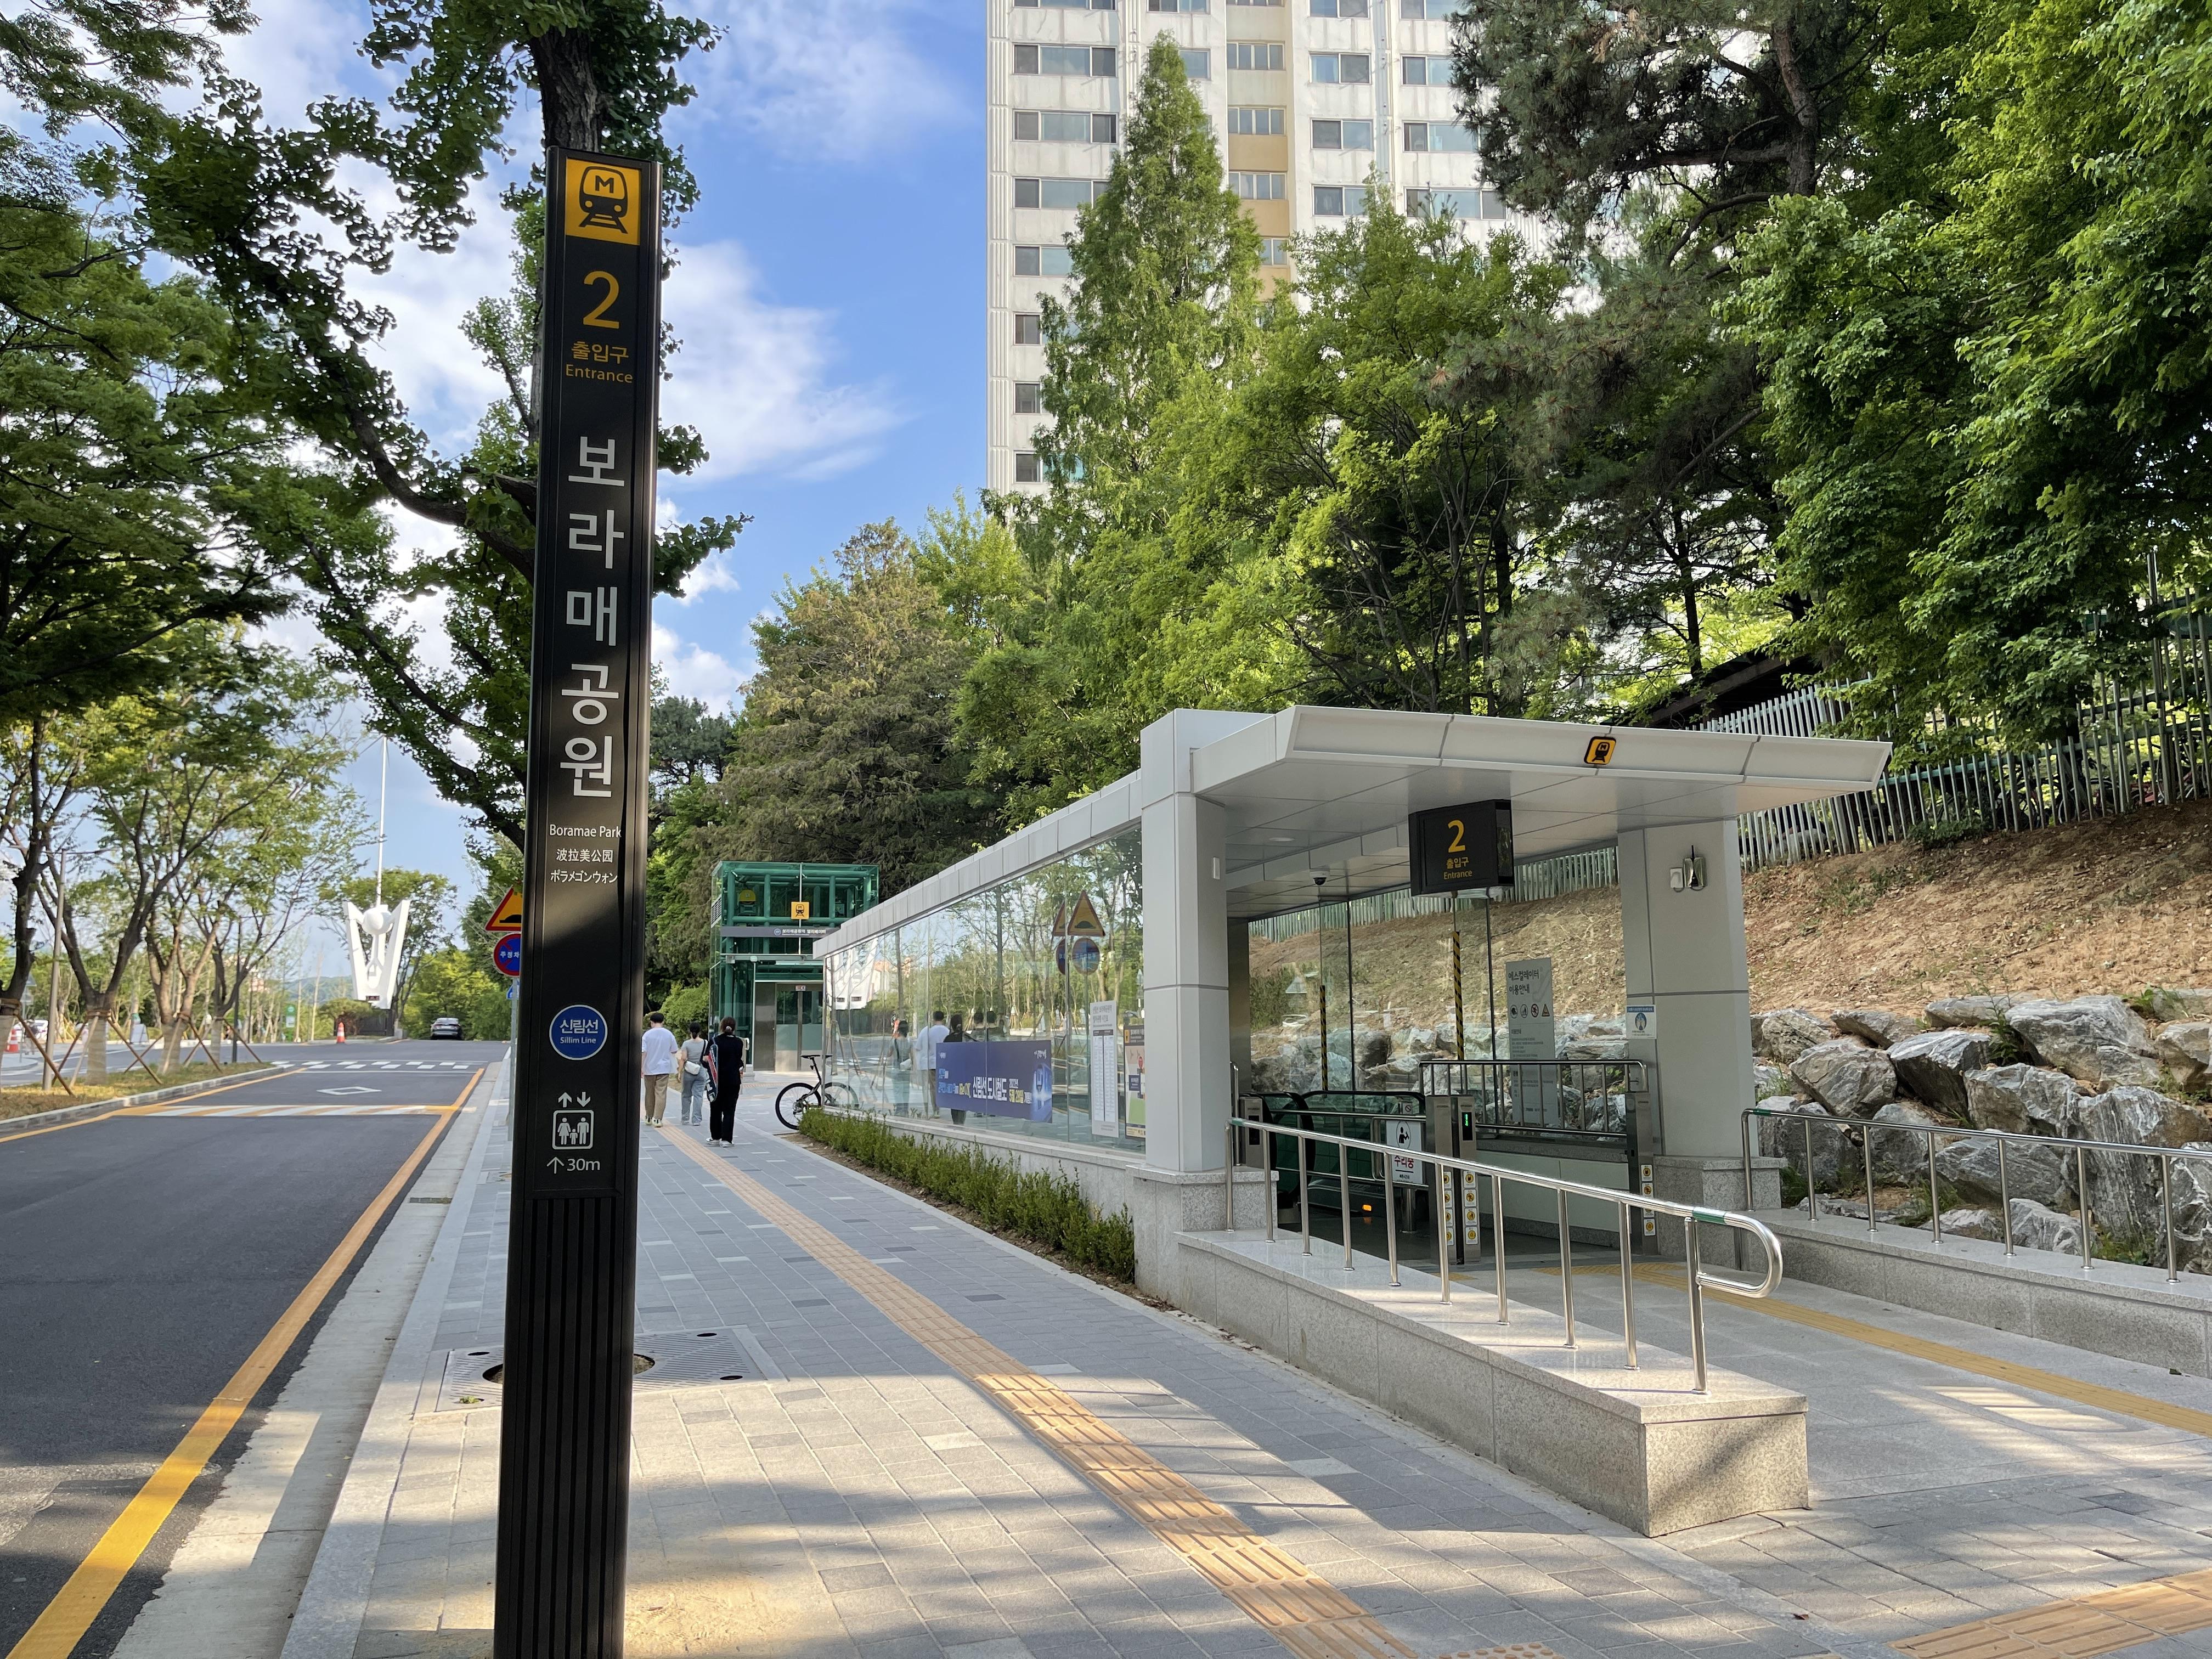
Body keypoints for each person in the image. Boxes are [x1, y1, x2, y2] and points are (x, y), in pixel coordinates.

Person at [708, 1016, 747, 1143]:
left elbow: (708, 1060)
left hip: (717, 1081)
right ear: (734, 1028)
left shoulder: (714, 1041)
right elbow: (738, 1059)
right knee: (730, 1110)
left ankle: (715, 1137)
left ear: (721, 1027)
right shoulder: (739, 1042)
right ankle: (727, 1139)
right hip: (733, 1080)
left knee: (716, 1109)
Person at [641, 1009, 677, 1127]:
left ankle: (648, 1117)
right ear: (663, 1022)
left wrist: (641, 1067)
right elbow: (674, 1050)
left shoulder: (647, 1035)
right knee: (661, 1093)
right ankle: (657, 1119)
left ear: (652, 1022)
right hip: (664, 1068)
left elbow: (644, 1052)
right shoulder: (669, 1034)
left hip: (649, 1068)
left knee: (649, 1093)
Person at [678, 1019, 711, 1126]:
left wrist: (680, 1072)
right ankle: (696, 1120)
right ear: (700, 1031)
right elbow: (707, 1058)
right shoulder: (706, 1043)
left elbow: (683, 1058)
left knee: (686, 1095)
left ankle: (685, 1118)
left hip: (689, 1070)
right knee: (698, 1096)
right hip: (701, 1070)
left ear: (690, 1031)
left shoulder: (686, 1044)